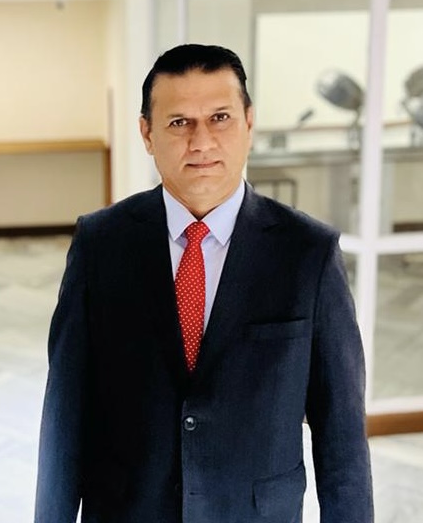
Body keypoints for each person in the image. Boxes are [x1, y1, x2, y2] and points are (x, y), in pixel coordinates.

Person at [35, 44, 373, 523]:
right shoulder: (101, 244)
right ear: (147, 134)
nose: (202, 142)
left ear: (249, 124)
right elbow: (65, 416)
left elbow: (342, 438)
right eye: (179, 122)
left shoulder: (308, 254)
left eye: (220, 118)